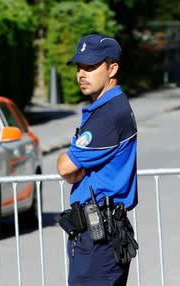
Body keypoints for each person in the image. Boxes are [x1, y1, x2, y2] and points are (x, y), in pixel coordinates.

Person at [56, 34, 138, 285]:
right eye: (79, 66)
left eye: (91, 67)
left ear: (112, 68)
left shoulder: (108, 114)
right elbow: (72, 171)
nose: (82, 73)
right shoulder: (106, 108)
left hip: (99, 236)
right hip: (99, 231)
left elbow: (65, 166)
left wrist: (71, 163)